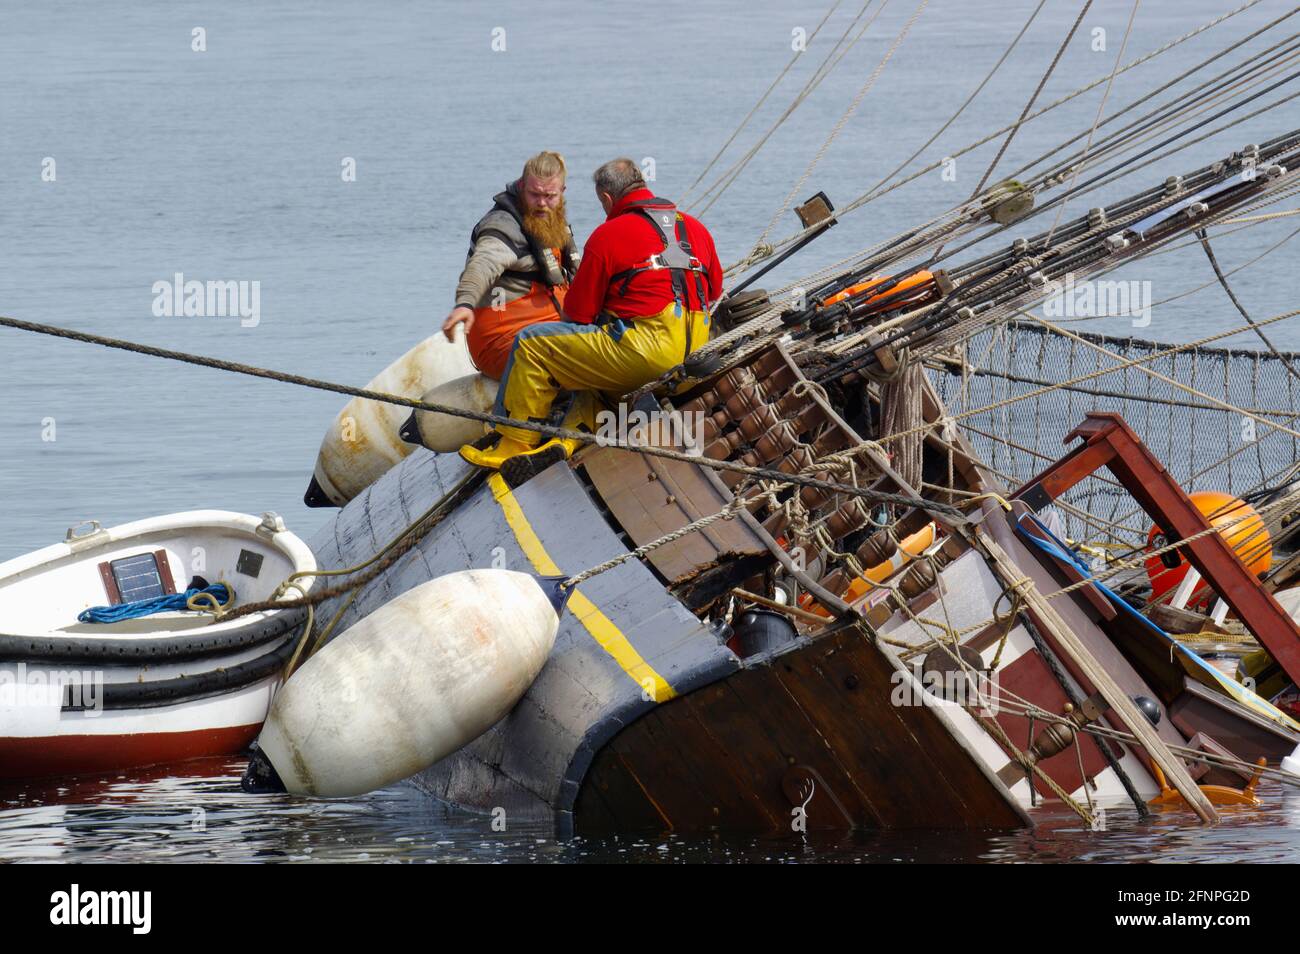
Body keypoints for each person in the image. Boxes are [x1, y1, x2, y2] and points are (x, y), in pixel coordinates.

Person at [460, 157, 723, 478]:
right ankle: (568, 440)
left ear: (607, 199)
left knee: (533, 345)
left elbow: (578, 315)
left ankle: (514, 441)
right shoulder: (695, 227)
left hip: (649, 353)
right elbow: (713, 292)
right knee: (593, 371)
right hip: (696, 352)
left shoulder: (609, 234)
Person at [442, 151, 580, 380]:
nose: (541, 203)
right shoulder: (503, 226)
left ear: (562, 192)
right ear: (521, 186)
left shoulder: (552, 221)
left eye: (549, 196)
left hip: (553, 329)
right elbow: (482, 265)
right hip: (504, 340)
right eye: (534, 194)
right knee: (587, 358)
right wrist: (464, 304)